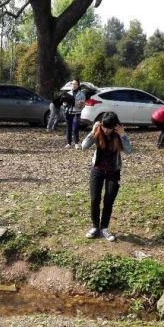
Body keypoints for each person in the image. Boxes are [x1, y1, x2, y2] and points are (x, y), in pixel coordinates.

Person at [81, 112, 132, 241]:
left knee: (109, 200)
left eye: (109, 128)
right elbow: (84, 147)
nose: (106, 130)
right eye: (104, 127)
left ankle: (104, 228)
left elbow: (129, 151)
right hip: (97, 170)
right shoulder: (98, 131)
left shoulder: (118, 134)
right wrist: (93, 131)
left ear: (115, 126)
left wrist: (123, 135)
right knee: (95, 199)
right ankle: (95, 226)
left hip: (113, 171)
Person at [65, 79, 86, 149]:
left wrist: (78, 104)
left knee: (75, 128)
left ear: (78, 85)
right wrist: (65, 103)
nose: (73, 85)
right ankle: (69, 143)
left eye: (75, 84)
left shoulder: (82, 94)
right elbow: (63, 103)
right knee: (69, 128)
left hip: (77, 113)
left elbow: (83, 105)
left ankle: (76, 143)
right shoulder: (68, 93)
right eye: (72, 84)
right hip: (68, 112)